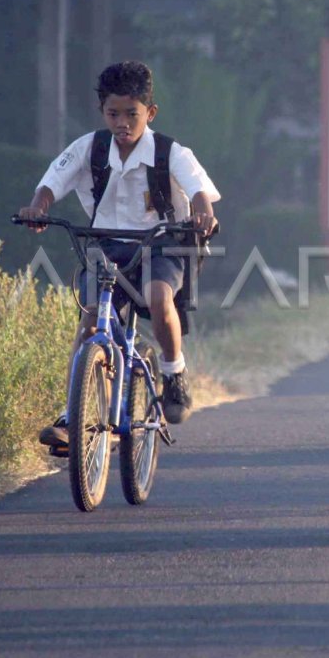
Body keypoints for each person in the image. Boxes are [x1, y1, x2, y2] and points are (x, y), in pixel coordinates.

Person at [18, 61, 220, 444]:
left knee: (159, 297)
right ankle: (73, 415)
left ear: (150, 113)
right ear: (102, 112)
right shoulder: (89, 148)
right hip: (107, 243)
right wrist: (38, 207)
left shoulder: (170, 152)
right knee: (91, 323)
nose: (122, 123)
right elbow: (51, 182)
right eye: (113, 114)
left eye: (132, 114)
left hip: (163, 242)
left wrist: (203, 215)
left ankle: (173, 373)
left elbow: (198, 190)